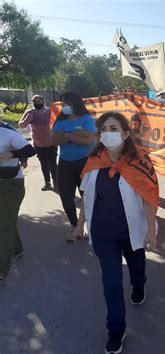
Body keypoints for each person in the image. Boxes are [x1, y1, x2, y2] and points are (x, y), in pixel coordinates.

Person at [80, 112, 159, 354]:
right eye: (103, 129)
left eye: (113, 128)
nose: (107, 133)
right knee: (111, 282)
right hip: (104, 233)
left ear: (125, 134)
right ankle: (116, 329)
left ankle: (139, 285)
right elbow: (85, 195)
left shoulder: (140, 162)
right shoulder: (94, 161)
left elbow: (149, 198)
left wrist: (150, 232)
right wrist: (79, 224)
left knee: (136, 268)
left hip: (132, 229)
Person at [51, 92, 96, 242]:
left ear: (75, 103)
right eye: (62, 103)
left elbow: (88, 141)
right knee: (66, 198)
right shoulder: (61, 119)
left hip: (84, 163)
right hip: (65, 163)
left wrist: (66, 135)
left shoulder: (87, 119)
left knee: (87, 197)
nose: (63, 107)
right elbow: (53, 140)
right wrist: (75, 135)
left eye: (66, 103)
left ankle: (89, 226)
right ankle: (75, 226)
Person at [0, 109, 36, 281]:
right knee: (6, 220)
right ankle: (17, 248)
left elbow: (30, 150)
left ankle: (2, 267)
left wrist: (12, 154)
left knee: (3, 224)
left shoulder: (8, 133)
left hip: (11, 183)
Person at [19, 95, 58, 191]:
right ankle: (47, 183)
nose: (37, 102)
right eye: (35, 101)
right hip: (38, 144)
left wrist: (57, 139)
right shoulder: (30, 112)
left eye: (39, 100)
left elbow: (58, 123)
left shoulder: (50, 111)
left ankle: (56, 182)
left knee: (53, 163)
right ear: (33, 103)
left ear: (43, 101)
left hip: (51, 143)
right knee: (44, 164)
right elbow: (21, 125)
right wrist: (27, 119)